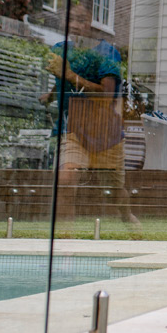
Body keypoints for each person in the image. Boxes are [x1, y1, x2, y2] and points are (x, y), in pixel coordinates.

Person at [42, 40, 138, 226]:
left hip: (105, 132)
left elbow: (107, 94)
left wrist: (70, 75)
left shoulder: (106, 53)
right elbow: (62, 79)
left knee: (115, 191)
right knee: (66, 178)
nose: (74, 25)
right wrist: (51, 95)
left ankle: (127, 217)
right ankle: (64, 240)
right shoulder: (61, 48)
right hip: (73, 129)